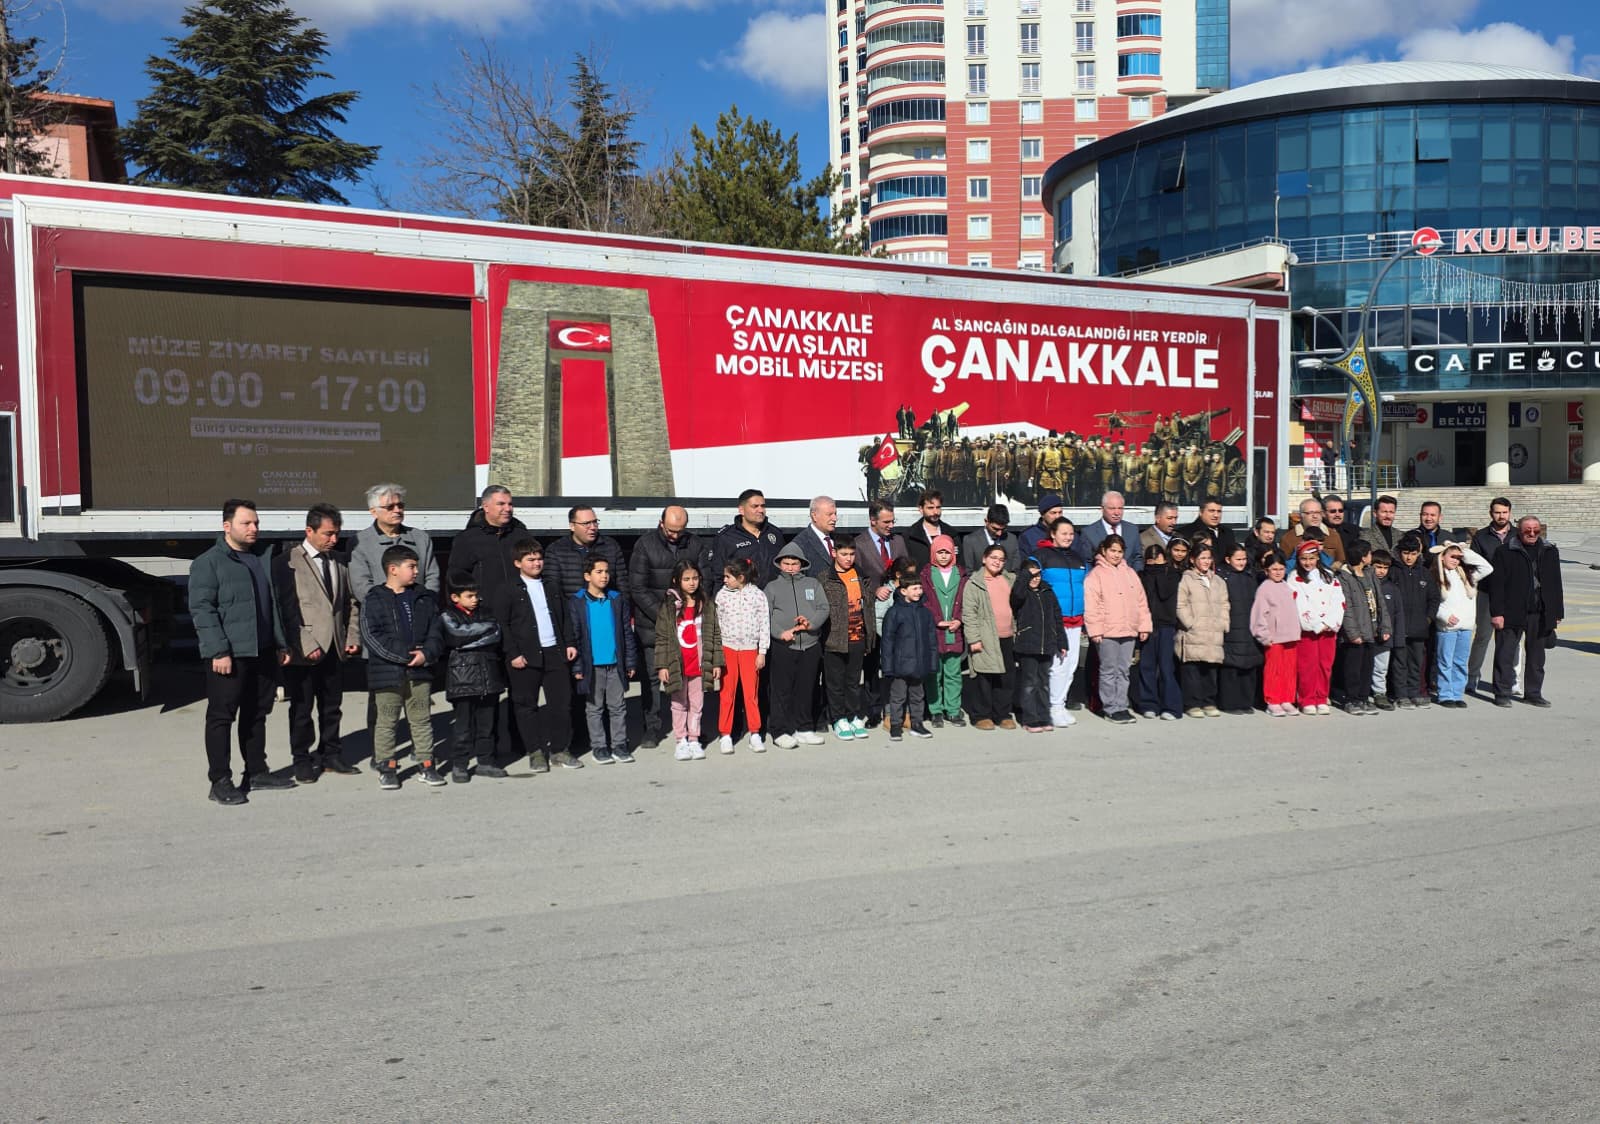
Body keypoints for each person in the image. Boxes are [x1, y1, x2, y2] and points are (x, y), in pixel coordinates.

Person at [190, 499, 293, 805]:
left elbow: (272, 605)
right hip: (229, 655)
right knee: (221, 717)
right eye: (246, 523)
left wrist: (280, 643)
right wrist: (218, 651)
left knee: (257, 713)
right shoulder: (209, 562)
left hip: (263, 650)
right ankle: (220, 781)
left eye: (256, 523)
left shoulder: (261, 557)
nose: (253, 528)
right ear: (227, 526)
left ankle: (256, 772)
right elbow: (202, 609)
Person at [271, 503, 362, 784]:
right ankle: (301, 759)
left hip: (335, 645)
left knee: (332, 705)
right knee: (302, 708)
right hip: (304, 649)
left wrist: (351, 636)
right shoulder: (287, 562)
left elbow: (350, 603)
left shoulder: (340, 561)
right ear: (309, 531)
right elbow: (286, 608)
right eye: (328, 534)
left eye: (337, 533)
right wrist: (304, 642)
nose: (334, 539)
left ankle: (331, 754)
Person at [361, 545, 445, 790]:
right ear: (393, 569)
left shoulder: (424, 597)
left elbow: (436, 630)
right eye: (412, 566)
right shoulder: (374, 598)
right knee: (386, 721)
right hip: (388, 673)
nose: (417, 571)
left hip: (419, 672)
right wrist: (403, 656)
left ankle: (427, 765)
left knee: (421, 720)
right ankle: (387, 767)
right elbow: (372, 635)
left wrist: (426, 654)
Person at [628, 505, 704, 750]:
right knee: (653, 677)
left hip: (688, 624)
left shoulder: (695, 544)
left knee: (689, 677)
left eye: (680, 530)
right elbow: (638, 588)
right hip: (654, 625)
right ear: (661, 523)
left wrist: (693, 611)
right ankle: (652, 727)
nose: (675, 535)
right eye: (671, 530)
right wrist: (664, 616)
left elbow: (705, 580)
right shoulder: (645, 545)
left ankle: (692, 727)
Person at [501, 539, 580, 772]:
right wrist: (513, 653)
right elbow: (503, 625)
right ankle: (535, 751)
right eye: (530, 559)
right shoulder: (508, 589)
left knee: (561, 704)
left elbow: (564, 617)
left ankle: (559, 750)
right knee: (526, 705)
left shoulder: (551, 585)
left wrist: (569, 642)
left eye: (539, 558)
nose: (537, 563)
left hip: (554, 651)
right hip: (525, 656)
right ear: (518, 563)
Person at [567, 558, 638, 764]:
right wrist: (577, 666)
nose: (604, 576)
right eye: (599, 572)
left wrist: (630, 662)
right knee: (594, 708)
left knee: (618, 707)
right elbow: (575, 636)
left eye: (606, 571)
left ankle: (619, 745)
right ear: (587, 576)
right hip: (592, 666)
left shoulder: (616, 599)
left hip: (615, 664)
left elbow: (626, 632)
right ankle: (599, 746)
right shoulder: (577, 601)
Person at [438, 572, 506, 783]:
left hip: (488, 675)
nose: (475, 599)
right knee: (463, 727)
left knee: (487, 725)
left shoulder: (486, 612)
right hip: (462, 678)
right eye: (469, 596)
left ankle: (486, 762)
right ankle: (460, 764)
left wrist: (468, 642)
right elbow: (455, 635)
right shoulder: (447, 615)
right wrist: (482, 632)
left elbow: (496, 634)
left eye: (476, 595)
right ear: (455, 597)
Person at [1487, 516, 1561, 708]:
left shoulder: (1550, 551)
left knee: (1537, 657)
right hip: (1511, 611)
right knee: (1505, 654)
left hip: (1540, 612)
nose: (1532, 533)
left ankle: (1533, 693)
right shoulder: (1505, 551)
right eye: (1528, 530)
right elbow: (1497, 585)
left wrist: (1556, 612)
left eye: (1536, 529)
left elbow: (1556, 583)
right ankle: (1502, 693)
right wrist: (1497, 613)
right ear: (1519, 531)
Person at [655, 561, 723, 761]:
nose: (692, 583)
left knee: (697, 703)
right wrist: (662, 665)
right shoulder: (669, 606)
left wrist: (716, 662)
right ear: (676, 580)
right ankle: (681, 741)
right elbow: (662, 637)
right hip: (678, 664)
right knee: (679, 703)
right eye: (686, 579)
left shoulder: (706, 604)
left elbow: (715, 634)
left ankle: (694, 739)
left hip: (699, 664)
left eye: (695, 578)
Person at [766, 543, 830, 748]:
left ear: (802, 564)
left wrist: (811, 623)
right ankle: (780, 730)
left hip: (810, 645)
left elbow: (823, 608)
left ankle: (804, 728)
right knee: (781, 690)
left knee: (807, 688)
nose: (790, 567)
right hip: (784, 646)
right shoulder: (772, 587)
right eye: (786, 563)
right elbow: (765, 615)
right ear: (779, 564)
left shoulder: (813, 584)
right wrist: (780, 633)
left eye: (794, 563)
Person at [1084, 535, 1150, 724]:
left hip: (1128, 629)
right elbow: (1092, 605)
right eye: (1112, 550)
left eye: (1120, 551)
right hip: (1107, 631)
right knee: (1108, 670)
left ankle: (1122, 705)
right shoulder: (1096, 575)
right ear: (1103, 550)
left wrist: (1144, 625)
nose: (1116, 555)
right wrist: (1095, 630)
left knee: (1124, 670)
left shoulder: (1130, 573)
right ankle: (1111, 707)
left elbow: (1141, 601)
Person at [855, 501, 906, 728]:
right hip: (872, 613)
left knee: (895, 663)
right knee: (872, 665)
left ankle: (895, 708)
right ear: (872, 520)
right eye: (886, 522)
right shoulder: (859, 544)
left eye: (893, 521)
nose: (890, 526)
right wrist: (874, 590)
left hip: (897, 612)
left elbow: (906, 571)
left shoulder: (898, 541)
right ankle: (874, 710)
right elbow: (856, 578)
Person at [819, 537, 875, 741]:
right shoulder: (825, 578)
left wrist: (869, 637)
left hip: (858, 637)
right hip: (834, 639)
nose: (848, 558)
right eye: (844, 554)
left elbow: (868, 607)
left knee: (853, 681)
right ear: (834, 553)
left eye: (852, 554)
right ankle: (838, 718)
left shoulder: (861, 575)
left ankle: (852, 716)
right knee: (835, 683)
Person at [1032, 517, 1086, 726]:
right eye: (1064, 533)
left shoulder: (1077, 558)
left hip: (1076, 619)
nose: (1068, 537)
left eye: (1071, 534)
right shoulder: (1041, 556)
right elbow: (1030, 583)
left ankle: (1060, 704)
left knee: (1071, 665)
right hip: (1054, 620)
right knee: (1057, 665)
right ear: (1053, 534)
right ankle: (1051, 707)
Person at [350, 482, 439, 604]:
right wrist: (388, 606)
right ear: (374, 512)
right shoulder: (360, 542)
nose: (397, 510)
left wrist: (425, 603)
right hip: (381, 610)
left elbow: (432, 577)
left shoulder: (420, 538)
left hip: (419, 607)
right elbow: (361, 584)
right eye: (390, 507)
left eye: (400, 505)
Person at [714, 558, 769, 753]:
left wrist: (762, 652)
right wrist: (717, 652)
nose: (724, 580)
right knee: (727, 693)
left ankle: (755, 732)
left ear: (741, 577)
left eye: (728, 577)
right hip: (727, 649)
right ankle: (725, 734)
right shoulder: (722, 595)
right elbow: (717, 625)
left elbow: (764, 624)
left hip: (750, 650)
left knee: (750, 694)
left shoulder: (758, 595)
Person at [448, 485, 531, 614]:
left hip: (521, 610)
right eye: (501, 504)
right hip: (484, 612)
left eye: (510, 504)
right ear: (486, 507)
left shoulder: (522, 536)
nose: (507, 509)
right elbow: (456, 578)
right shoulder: (467, 539)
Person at [962, 544, 1018, 730]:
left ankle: (1002, 714)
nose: (997, 562)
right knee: (983, 677)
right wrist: (974, 639)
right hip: (985, 637)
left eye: (1001, 559)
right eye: (994, 557)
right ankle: (981, 715)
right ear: (984, 559)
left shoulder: (1009, 579)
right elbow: (969, 613)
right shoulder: (974, 583)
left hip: (1007, 636)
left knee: (1006, 677)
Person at [878, 568, 938, 742]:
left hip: (919, 664)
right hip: (900, 666)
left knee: (918, 696)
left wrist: (932, 663)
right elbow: (887, 641)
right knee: (898, 697)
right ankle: (895, 725)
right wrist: (887, 666)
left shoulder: (925, 613)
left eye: (920, 588)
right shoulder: (894, 612)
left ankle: (917, 724)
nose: (918, 592)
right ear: (903, 591)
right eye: (914, 589)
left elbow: (932, 640)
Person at [1434, 540, 1494, 707]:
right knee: (1445, 662)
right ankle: (1445, 694)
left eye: (1458, 558)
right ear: (1442, 557)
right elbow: (1432, 603)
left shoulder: (1468, 576)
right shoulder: (1436, 576)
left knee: (1460, 662)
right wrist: (1444, 616)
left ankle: (1457, 693)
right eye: (1452, 556)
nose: (1456, 560)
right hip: (1447, 627)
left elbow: (1487, 568)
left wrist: (1465, 552)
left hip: (1466, 627)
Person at [1010, 558, 1067, 732]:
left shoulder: (1047, 591)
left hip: (1047, 644)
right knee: (1029, 683)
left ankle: (1044, 716)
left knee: (1043, 683)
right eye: (1031, 575)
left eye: (1038, 575)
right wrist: (1024, 576)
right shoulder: (1021, 592)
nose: (1035, 579)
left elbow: (1057, 617)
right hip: (1028, 645)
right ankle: (1030, 718)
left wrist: (1062, 641)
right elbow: (1016, 597)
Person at [1289, 539, 1344, 716]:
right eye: (1304, 559)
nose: (1308, 563)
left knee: (1325, 665)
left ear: (1318, 558)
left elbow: (1338, 600)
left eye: (1311, 558)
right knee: (1308, 666)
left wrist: (1330, 622)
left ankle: (1321, 697)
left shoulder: (1328, 576)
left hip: (1328, 629)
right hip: (1309, 631)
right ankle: (1307, 698)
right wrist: (1316, 624)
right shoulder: (1294, 578)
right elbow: (1299, 604)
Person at [1336, 540, 1390, 715]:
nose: (1371, 556)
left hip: (1371, 630)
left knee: (1367, 667)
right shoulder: (1344, 577)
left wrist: (1385, 627)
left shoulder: (1369, 574)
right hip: (1355, 633)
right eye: (1369, 553)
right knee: (1353, 669)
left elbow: (1380, 601)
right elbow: (1347, 608)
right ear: (1362, 557)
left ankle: (1363, 697)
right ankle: (1351, 699)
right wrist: (1352, 633)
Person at [1468, 497, 1514, 694]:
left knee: (1512, 639)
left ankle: (1513, 680)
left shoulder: (1518, 535)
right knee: (1482, 636)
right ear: (1490, 513)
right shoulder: (1481, 536)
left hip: (1512, 594)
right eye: (1497, 512)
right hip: (1486, 593)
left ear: (1510, 513)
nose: (1501, 516)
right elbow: (1473, 563)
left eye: (1504, 512)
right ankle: (1472, 677)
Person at [1176, 541, 1228, 718]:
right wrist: (1190, 623)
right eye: (1202, 558)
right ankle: (1192, 703)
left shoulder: (1218, 581)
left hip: (1214, 631)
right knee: (1193, 670)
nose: (1206, 561)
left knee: (1210, 669)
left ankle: (1209, 701)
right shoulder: (1186, 579)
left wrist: (1223, 623)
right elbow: (1180, 604)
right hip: (1193, 632)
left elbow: (1225, 604)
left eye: (1208, 558)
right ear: (1192, 559)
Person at [1386, 536, 1438, 709]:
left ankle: (1415, 692)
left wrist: (1428, 619)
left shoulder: (1424, 573)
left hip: (1419, 626)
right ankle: (1400, 695)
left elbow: (1434, 598)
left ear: (1418, 554)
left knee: (1416, 662)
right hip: (1398, 626)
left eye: (1413, 554)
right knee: (1399, 662)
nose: (1409, 557)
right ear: (1399, 553)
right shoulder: (1393, 571)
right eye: (1406, 553)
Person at [921, 536, 967, 728]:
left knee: (953, 673)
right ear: (933, 553)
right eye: (940, 552)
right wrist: (936, 619)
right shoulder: (926, 574)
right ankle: (936, 710)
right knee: (934, 673)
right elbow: (924, 600)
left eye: (947, 552)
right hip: (934, 631)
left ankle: (953, 710)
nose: (943, 556)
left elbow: (966, 600)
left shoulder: (961, 574)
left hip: (954, 631)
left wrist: (959, 619)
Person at [1250, 552, 1300, 716]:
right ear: (1266, 571)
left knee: (1289, 670)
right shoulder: (1264, 589)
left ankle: (1287, 698)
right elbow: (1259, 615)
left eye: (1281, 569)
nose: (1278, 572)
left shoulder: (1287, 586)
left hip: (1291, 636)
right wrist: (1264, 635)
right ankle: (1273, 700)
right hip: (1274, 637)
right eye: (1274, 569)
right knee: (1274, 670)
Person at [1137, 542, 1182, 721]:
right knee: (1147, 666)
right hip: (1147, 625)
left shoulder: (1172, 574)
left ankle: (1171, 706)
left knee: (1166, 667)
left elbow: (1164, 592)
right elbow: (1145, 596)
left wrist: (1160, 570)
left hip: (1166, 625)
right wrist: (1151, 572)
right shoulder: (1142, 575)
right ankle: (1148, 704)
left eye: (1159, 559)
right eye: (1151, 560)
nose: (1155, 563)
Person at [707, 489, 785, 590]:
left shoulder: (775, 533)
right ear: (741, 510)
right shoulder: (726, 537)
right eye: (755, 506)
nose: (761, 510)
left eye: (763, 506)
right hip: (741, 597)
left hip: (773, 595)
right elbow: (718, 575)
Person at [1218, 543, 1262, 715]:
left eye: (1244, 559)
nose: (1242, 562)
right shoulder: (1223, 578)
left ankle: (1246, 702)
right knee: (1232, 666)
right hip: (1232, 625)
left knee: (1249, 664)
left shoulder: (1250, 576)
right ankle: (1230, 703)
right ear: (1228, 559)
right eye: (1238, 559)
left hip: (1249, 625)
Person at [1369, 549, 1403, 710]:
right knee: (1365, 665)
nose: (1381, 571)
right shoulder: (1365, 584)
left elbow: (1398, 614)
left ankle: (1379, 692)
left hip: (1385, 635)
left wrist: (1397, 637)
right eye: (1378, 567)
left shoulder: (1392, 588)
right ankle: (1363, 692)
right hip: (1367, 634)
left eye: (1385, 567)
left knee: (1381, 667)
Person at [1076, 492, 1144, 570]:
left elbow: (1138, 558)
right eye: (1112, 508)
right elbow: (1087, 563)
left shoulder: (1132, 530)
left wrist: (1133, 575)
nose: (1117, 513)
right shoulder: (1088, 533)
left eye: (1120, 508)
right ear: (1102, 509)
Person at [1278, 497, 1346, 567]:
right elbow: (1283, 565)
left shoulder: (1333, 535)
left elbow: (1341, 560)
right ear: (1301, 515)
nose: (1315, 516)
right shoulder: (1288, 538)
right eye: (1310, 513)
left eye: (1318, 512)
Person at [904, 489, 958, 568]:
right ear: (921, 509)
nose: (935, 512)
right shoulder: (910, 535)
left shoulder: (951, 534)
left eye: (938, 507)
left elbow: (959, 564)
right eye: (930, 508)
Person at [791, 495, 841, 577]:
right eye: (829, 514)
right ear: (814, 516)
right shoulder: (800, 544)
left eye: (835, 514)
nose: (835, 518)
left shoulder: (838, 539)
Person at [962, 503, 1020, 574]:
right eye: (995, 529)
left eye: (1003, 529)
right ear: (986, 521)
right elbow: (968, 572)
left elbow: (1016, 570)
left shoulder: (1012, 539)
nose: (999, 533)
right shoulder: (970, 541)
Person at [1019, 494, 1064, 558]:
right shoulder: (1028, 536)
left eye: (1060, 512)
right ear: (1043, 514)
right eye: (1053, 513)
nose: (1057, 516)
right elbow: (1025, 561)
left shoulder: (1070, 534)